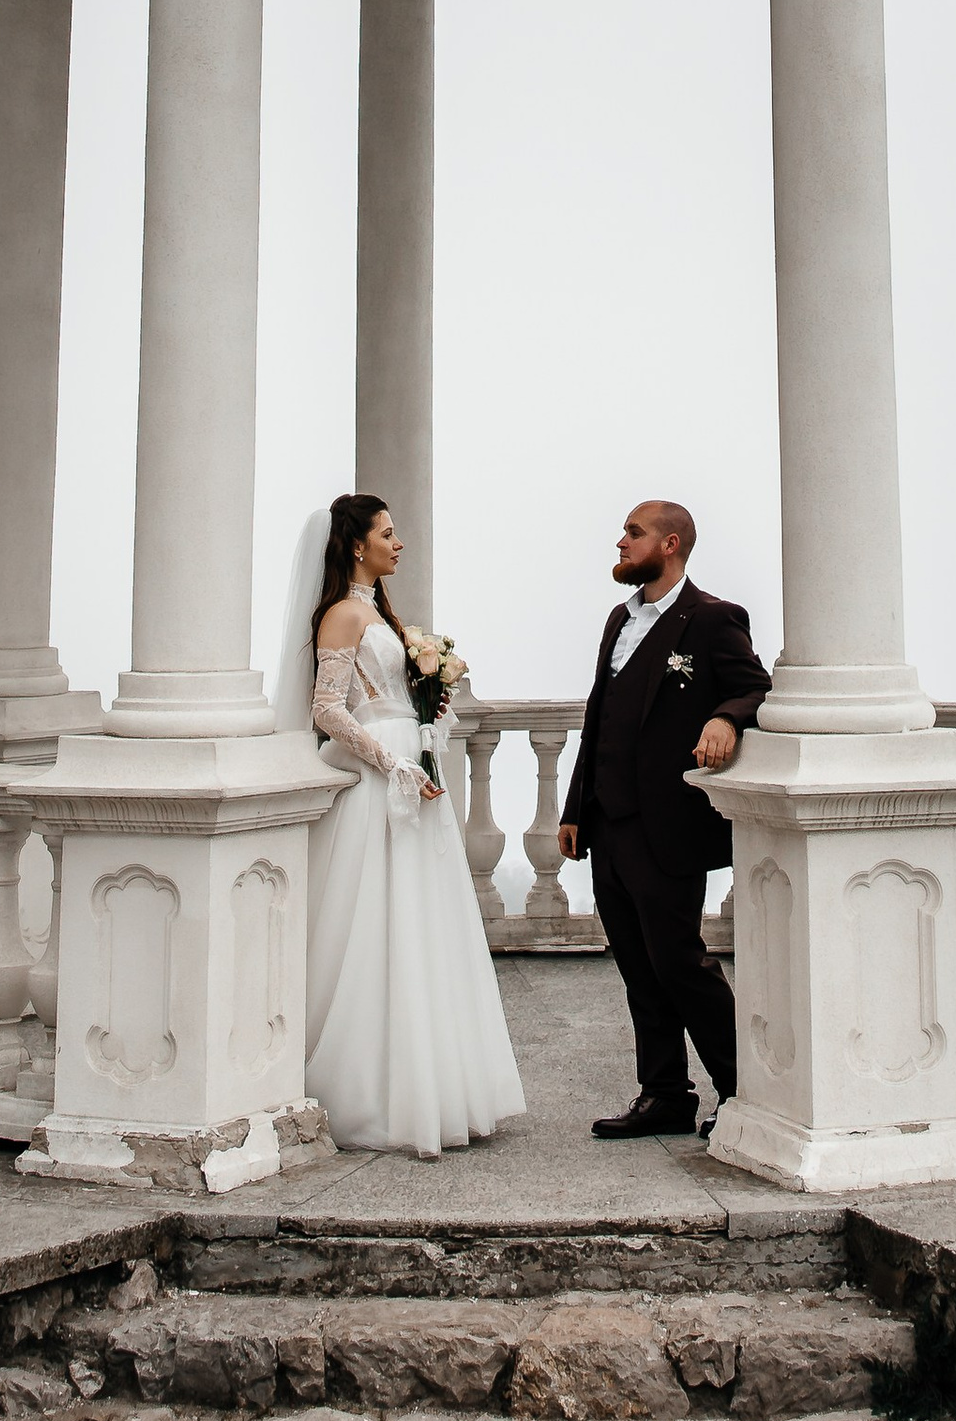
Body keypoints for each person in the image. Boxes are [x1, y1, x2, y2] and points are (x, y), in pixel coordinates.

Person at [276, 492, 526, 1158]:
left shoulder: (380, 614)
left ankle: (434, 1084)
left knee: (423, 928)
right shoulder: (342, 614)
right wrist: (389, 761)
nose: (400, 541)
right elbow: (327, 707)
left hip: (413, 777)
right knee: (374, 929)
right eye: (390, 532)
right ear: (358, 543)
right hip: (375, 785)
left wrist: (424, 731)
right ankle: (371, 1090)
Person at [558, 499, 767, 1139]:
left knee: (680, 962)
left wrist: (725, 716)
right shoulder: (618, 621)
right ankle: (666, 1095)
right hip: (608, 821)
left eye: (634, 532)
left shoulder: (710, 619)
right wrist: (574, 809)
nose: (620, 541)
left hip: (668, 824)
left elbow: (757, 686)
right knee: (635, 965)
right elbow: (599, 719)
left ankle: (743, 1094)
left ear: (670, 544)